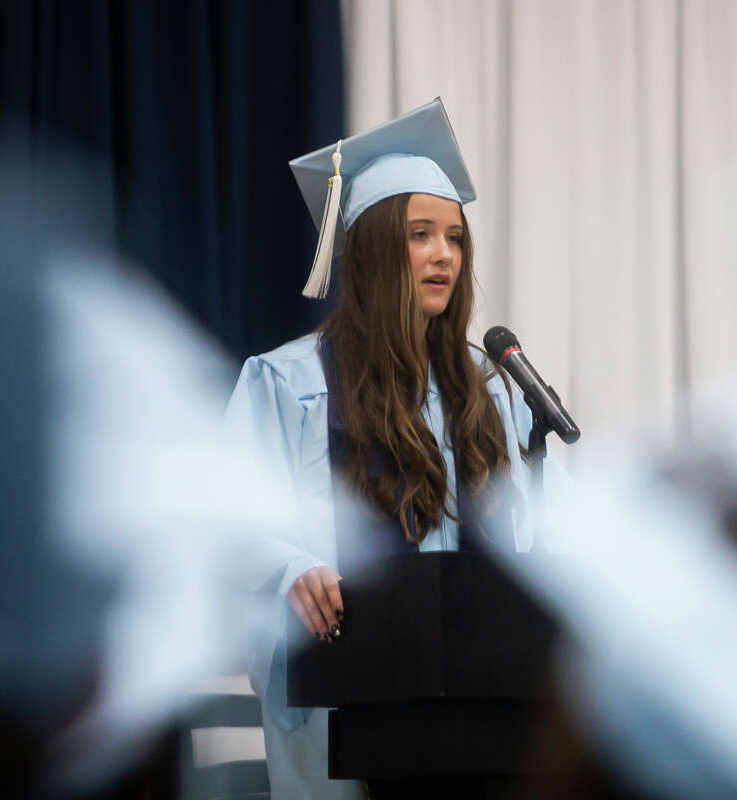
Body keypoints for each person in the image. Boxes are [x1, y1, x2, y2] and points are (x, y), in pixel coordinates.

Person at [225, 99, 560, 800]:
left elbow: (524, 540)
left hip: (476, 709)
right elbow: (227, 521)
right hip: (348, 693)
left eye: (456, 238)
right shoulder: (289, 383)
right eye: (419, 234)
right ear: (374, 247)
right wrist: (290, 568)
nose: (444, 254)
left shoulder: (491, 389)